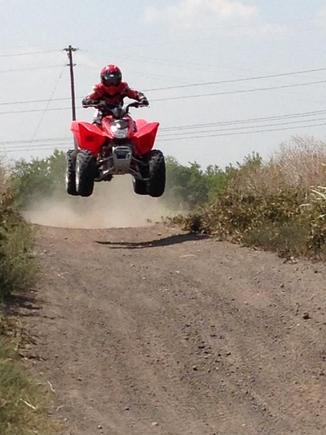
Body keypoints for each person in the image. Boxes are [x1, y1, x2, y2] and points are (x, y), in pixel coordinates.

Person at [82, 64, 149, 123]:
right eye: (109, 80)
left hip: (120, 113)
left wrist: (142, 99)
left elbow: (135, 93)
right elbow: (88, 98)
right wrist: (88, 101)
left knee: (131, 122)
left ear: (119, 79)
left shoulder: (123, 88)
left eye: (114, 80)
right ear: (103, 79)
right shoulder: (99, 89)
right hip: (102, 113)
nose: (112, 84)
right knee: (96, 121)